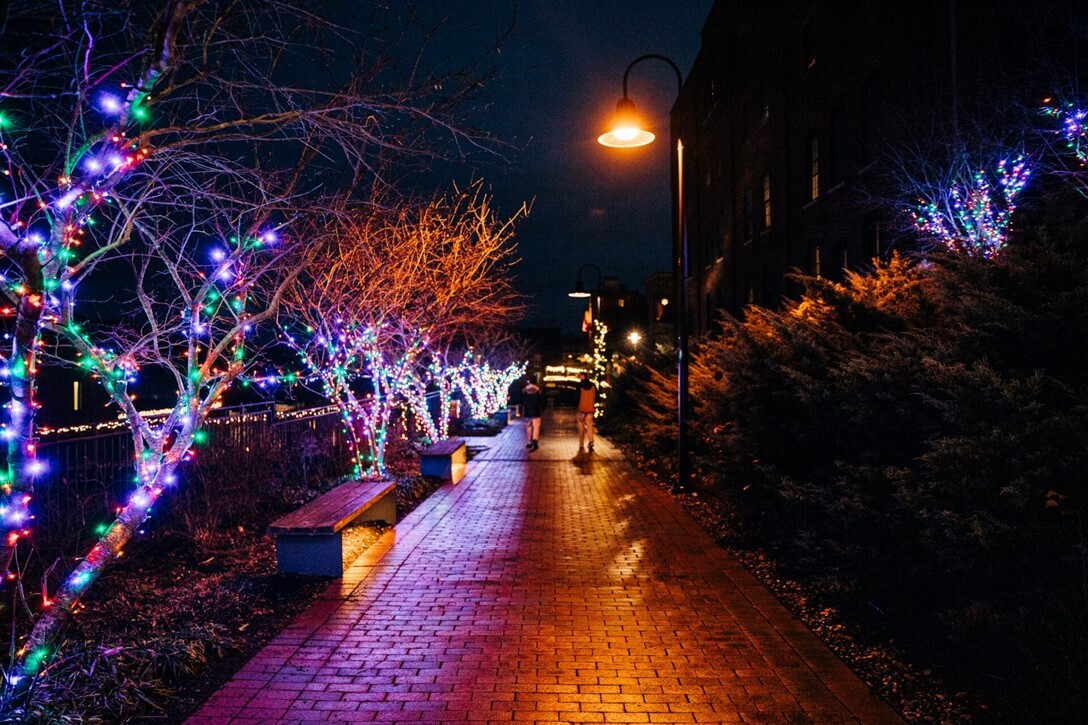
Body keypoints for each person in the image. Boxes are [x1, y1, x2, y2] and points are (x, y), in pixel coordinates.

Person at [522, 377, 545, 451]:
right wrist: (542, 409)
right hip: (536, 410)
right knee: (536, 427)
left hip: (527, 411)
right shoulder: (538, 390)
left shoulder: (524, 390)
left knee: (528, 426)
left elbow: (521, 400)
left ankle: (529, 442)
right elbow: (543, 401)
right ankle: (535, 442)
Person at [576, 372, 596, 451]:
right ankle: (591, 441)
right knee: (590, 425)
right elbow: (596, 397)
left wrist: (576, 405)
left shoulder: (579, 386)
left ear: (582, 376)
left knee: (581, 426)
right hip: (590, 408)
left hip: (581, 408)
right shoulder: (593, 385)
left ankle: (581, 443)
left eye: (580, 376)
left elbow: (576, 397)